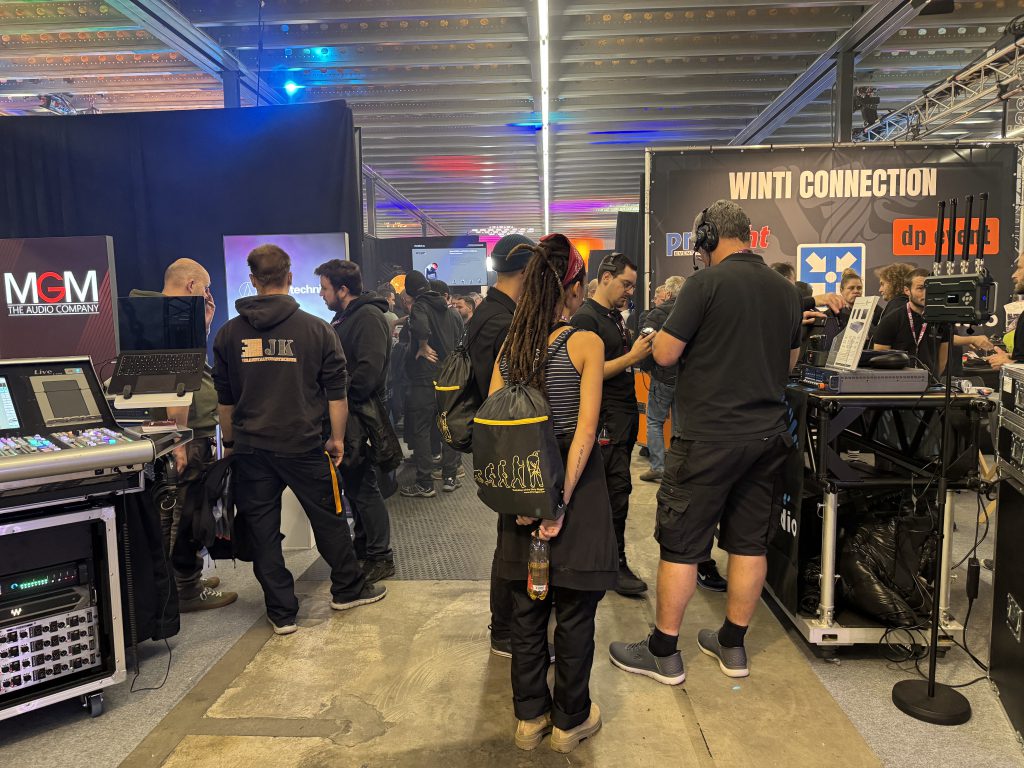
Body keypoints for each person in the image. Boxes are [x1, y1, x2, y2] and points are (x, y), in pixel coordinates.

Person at [608, 199, 802, 683]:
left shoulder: (704, 284)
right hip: (766, 436)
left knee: (681, 544)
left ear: (709, 236)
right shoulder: (786, 290)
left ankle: (663, 652)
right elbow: (790, 363)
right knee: (749, 544)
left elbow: (666, 354)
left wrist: (660, 337)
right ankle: (732, 645)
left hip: (709, 438)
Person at [213, 244, 386, 635]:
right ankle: (347, 589)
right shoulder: (318, 330)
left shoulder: (228, 334)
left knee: (262, 531)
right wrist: (337, 439)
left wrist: (231, 445)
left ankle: (281, 612)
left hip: (252, 449)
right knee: (329, 519)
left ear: (253, 280)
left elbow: (225, 401)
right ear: (289, 277)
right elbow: (336, 395)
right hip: (304, 444)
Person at [490, 240, 615, 754]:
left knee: (527, 610)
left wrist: (527, 500)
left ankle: (528, 718)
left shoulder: (510, 349)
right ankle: (569, 721)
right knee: (576, 612)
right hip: (575, 488)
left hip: (519, 485)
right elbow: (585, 430)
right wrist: (558, 501)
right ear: (575, 288)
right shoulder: (585, 343)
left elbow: (497, 427)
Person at [130, 259, 237, 612]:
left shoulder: (153, 315)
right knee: (186, 512)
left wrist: (202, 324)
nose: (208, 295)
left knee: (183, 509)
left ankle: (183, 581)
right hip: (185, 435)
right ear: (192, 286)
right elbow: (176, 384)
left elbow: (187, 366)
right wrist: (178, 439)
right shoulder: (173, 318)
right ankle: (185, 589)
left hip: (178, 431)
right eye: (206, 289)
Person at [465, 233, 535, 657]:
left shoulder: (488, 312)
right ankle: (505, 630)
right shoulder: (504, 322)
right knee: (512, 540)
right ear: (526, 271)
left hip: (496, 438)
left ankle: (506, 628)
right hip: (506, 441)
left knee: (510, 536)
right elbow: (509, 393)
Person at [570, 248, 653, 596]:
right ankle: (610, 564)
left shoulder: (613, 317)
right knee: (612, 493)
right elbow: (587, 372)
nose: (630, 292)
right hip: (604, 421)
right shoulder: (586, 320)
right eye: (626, 284)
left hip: (621, 419)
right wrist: (632, 357)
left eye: (633, 286)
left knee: (618, 492)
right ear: (605, 278)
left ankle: (607, 560)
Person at [316, 259, 396, 585]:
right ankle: (365, 548)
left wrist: (341, 399)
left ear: (343, 289)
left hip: (359, 416)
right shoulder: (348, 317)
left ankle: (380, 556)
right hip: (350, 414)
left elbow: (368, 372)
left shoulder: (367, 318)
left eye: (324, 288)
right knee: (356, 486)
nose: (321, 294)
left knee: (364, 487)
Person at [400, 270, 464, 497]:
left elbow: (420, 327)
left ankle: (425, 483)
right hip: (449, 379)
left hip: (424, 380)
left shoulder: (420, 306)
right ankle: (450, 476)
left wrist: (422, 345)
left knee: (422, 430)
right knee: (448, 428)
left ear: (410, 292)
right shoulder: (453, 312)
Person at [873, 268, 949, 377]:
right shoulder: (892, 319)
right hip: (898, 383)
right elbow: (880, 359)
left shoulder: (941, 320)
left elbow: (942, 360)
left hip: (930, 384)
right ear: (907, 290)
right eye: (920, 288)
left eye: (929, 288)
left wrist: (931, 379)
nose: (926, 293)